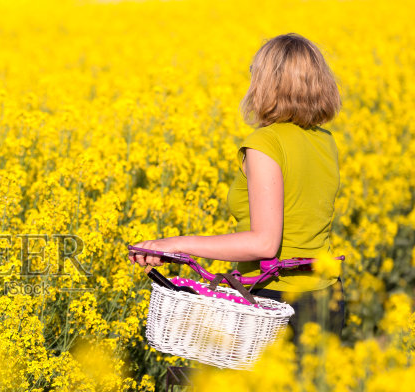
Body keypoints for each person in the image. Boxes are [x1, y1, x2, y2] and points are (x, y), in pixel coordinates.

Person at [129, 33, 345, 347]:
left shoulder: (266, 144)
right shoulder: (325, 140)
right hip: (327, 297)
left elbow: (264, 243)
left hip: (277, 304)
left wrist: (174, 244)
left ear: (267, 83)